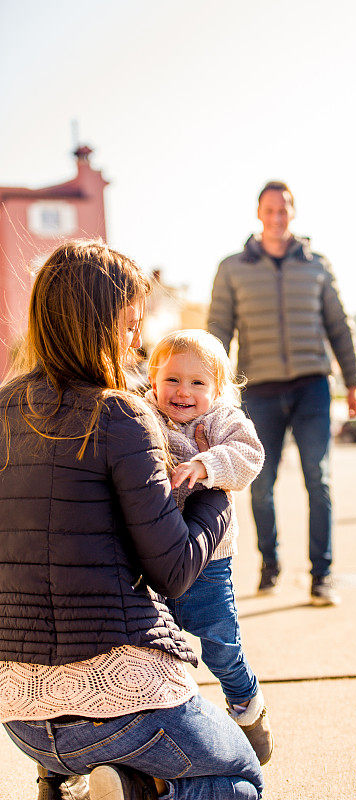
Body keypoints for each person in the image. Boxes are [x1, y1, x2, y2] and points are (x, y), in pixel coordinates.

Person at [0, 241, 263, 800]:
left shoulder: (2, 409)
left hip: (19, 714)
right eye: (127, 327)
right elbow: (173, 570)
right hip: (125, 704)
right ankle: (140, 790)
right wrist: (213, 483)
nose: (135, 341)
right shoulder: (122, 414)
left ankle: (70, 784)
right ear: (96, 325)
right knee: (240, 778)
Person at [208, 181, 356, 606]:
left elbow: (339, 326)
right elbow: (218, 332)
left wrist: (354, 383)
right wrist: (209, 387)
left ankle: (322, 576)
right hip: (258, 388)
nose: (277, 217)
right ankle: (270, 565)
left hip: (312, 385)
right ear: (259, 213)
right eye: (270, 210)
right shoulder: (232, 268)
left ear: (293, 213)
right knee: (260, 483)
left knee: (319, 477)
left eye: (284, 210)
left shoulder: (317, 265)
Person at [144, 329, 273, 765]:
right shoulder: (143, 414)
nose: (183, 392)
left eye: (198, 382)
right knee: (157, 645)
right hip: (155, 552)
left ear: (217, 388)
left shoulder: (221, 420)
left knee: (219, 643)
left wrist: (205, 463)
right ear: (153, 379)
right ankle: (174, 719)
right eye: (172, 379)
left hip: (208, 559)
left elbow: (247, 455)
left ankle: (246, 706)